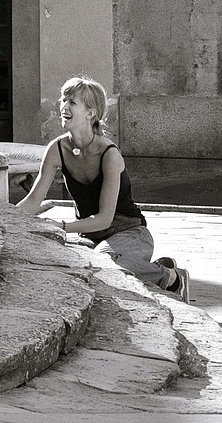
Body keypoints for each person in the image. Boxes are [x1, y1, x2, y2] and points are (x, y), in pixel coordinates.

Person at [16, 76, 189, 302]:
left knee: (105, 263)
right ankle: (152, 268)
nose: (64, 107)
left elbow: (105, 219)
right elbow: (32, 201)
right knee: (66, 261)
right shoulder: (57, 149)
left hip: (130, 233)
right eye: (63, 100)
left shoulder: (109, 154)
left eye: (72, 102)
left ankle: (173, 277)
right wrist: (5, 219)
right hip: (89, 237)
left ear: (91, 113)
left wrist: (60, 226)